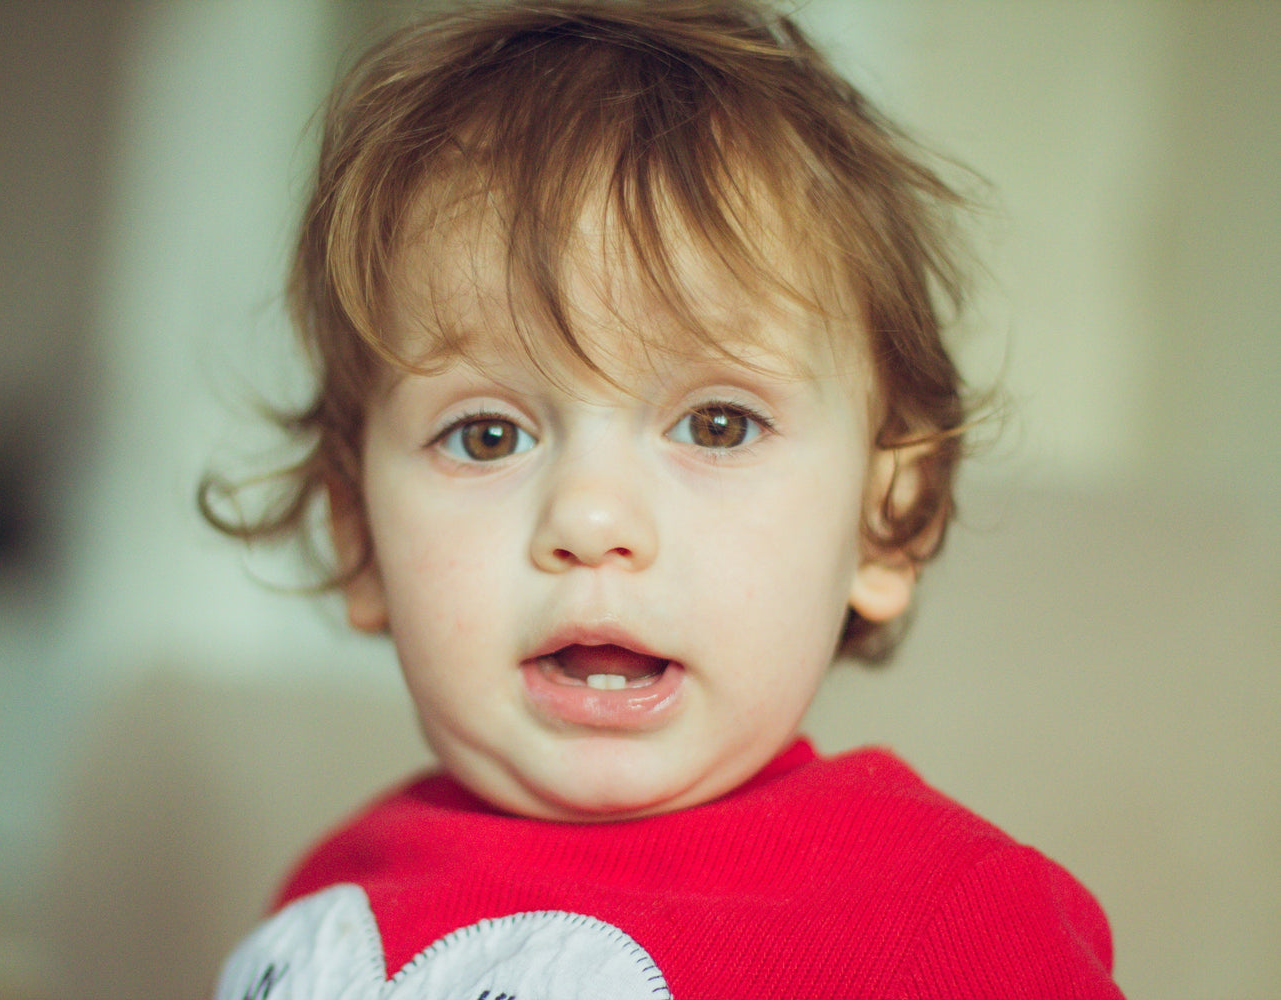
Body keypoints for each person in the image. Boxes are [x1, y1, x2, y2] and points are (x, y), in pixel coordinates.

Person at [203, 1, 1125, 996]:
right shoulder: (335, 900)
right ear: (360, 536)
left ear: (884, 521)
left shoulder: (958, 923)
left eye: (717, 424)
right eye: (488, 434)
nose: (592, 521)